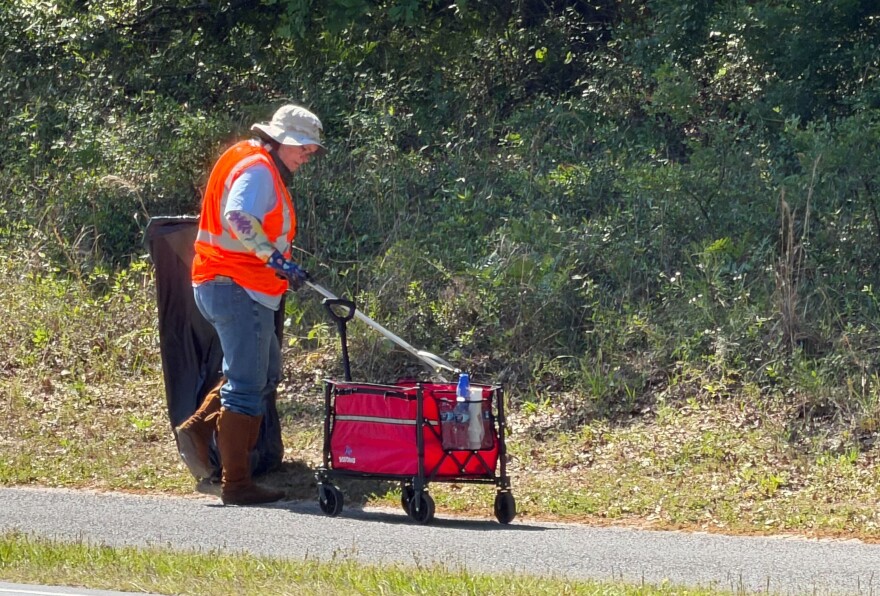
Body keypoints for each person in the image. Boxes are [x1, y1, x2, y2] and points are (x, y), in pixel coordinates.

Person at [174, 104, 325, 505]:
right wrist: (275, 260)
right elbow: (238, 217)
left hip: (226, 284)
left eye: (310, 151)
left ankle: (198, 430)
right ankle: (237, 485)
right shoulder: (259, 170)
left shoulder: (250, 158)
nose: (306, 157)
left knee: (263, 372)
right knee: (247, 383)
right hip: (238, 286)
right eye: (303, 149)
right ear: (281, 141)